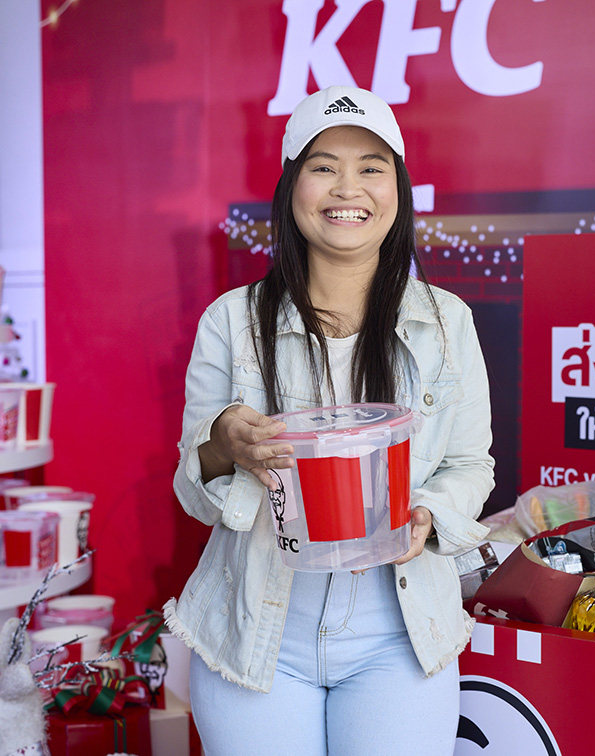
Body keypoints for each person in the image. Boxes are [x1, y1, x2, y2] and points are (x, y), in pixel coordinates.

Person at [163, 85, 494, 755]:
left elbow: (469, 465)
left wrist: (427, 516)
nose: (349, 187)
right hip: (256, 641)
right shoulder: (232, 321)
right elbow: (192, 494)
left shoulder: (446, 321)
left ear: (397, 189)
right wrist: (224, 445)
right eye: (323, 166)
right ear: (291, 188)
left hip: (397, 643)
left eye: (371, 167)